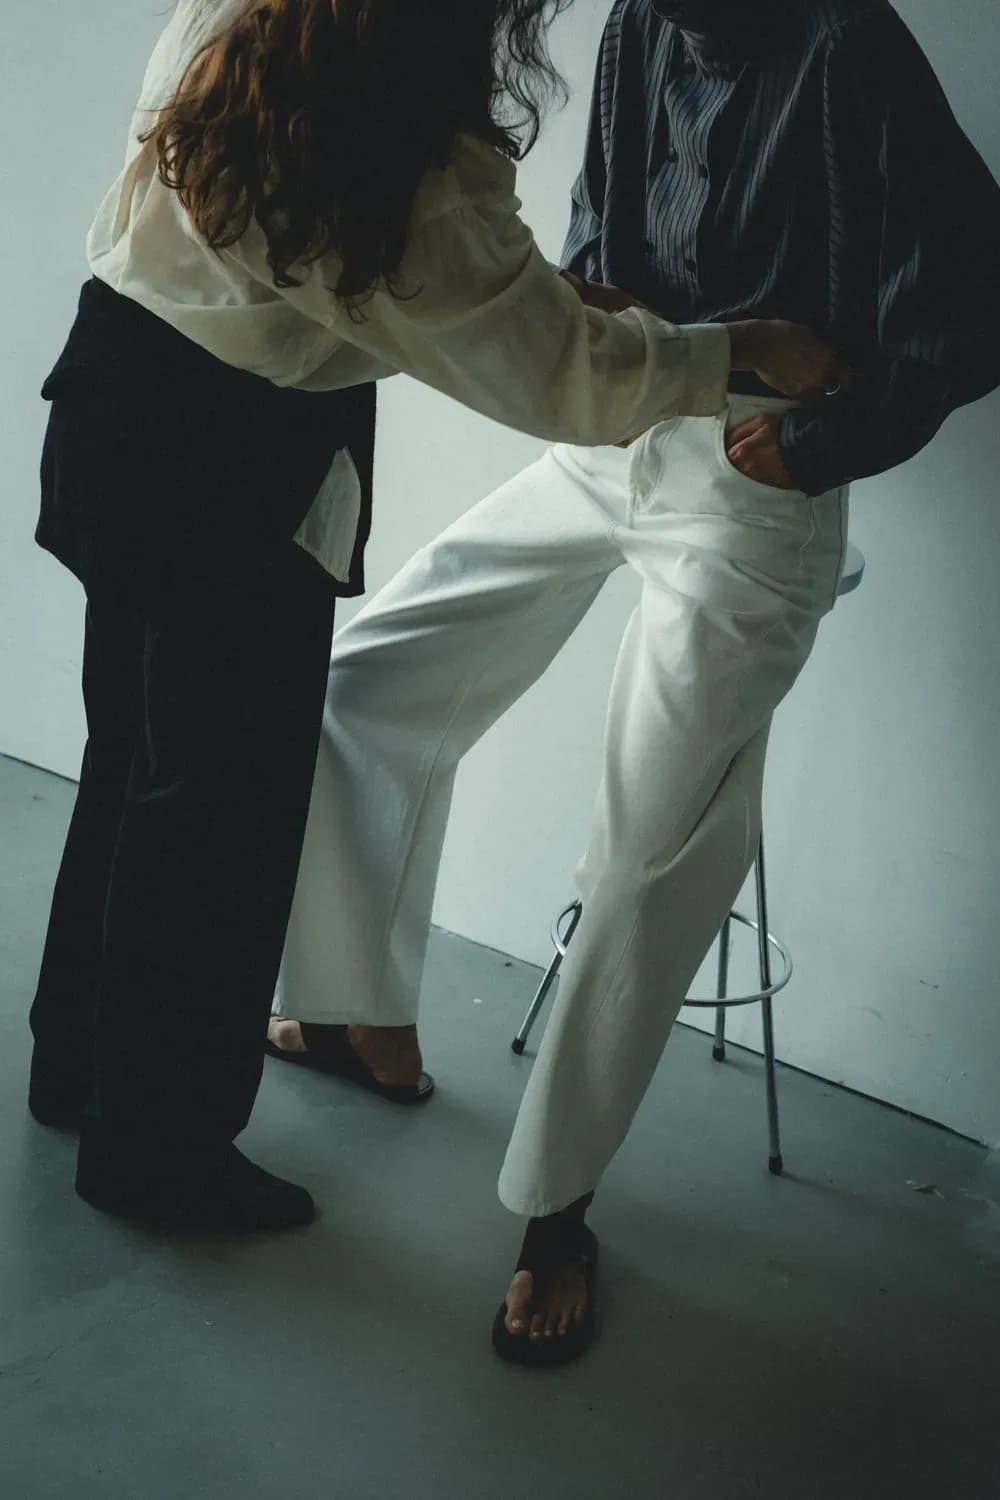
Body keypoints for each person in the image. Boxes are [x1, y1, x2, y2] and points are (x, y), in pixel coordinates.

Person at [27, 0, 834, 1235]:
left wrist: (538, 300)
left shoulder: (244, 18)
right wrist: (735, 350)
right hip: (233, 467)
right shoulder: (407, 142)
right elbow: (559, 378)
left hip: (113, 399)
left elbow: (409, 283)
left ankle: (75, 1067)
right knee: (219, 821)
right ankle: (156, 1153)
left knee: (130, 761)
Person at [269, 0, 1000, 1362]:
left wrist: (832, 440)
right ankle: (367, 1016)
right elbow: (602, 233)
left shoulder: (845, 41)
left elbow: (976, 286)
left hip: (754, 475)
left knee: (641, 849)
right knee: (370, 674)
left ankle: (557, 1212)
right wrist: (591, 305)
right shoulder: (639, 25)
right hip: (618, 422)